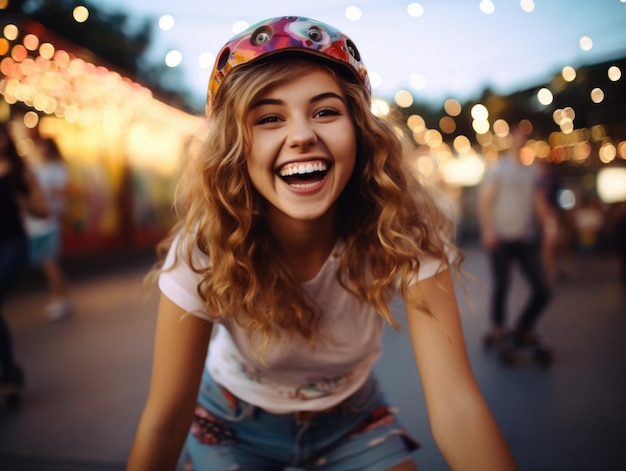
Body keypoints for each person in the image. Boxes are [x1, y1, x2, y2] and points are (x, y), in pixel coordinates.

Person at [128, 16, 518, 471]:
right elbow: (166, 420)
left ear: (359, 131)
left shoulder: (405, 232)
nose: (301, 136)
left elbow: (457, 410)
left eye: (325, 111)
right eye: (269, 118)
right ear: (237, 147)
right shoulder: (204, 249)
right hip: (232, 423)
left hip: (352, 420)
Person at [477, 122, 553, 347]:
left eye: (526, 134)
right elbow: (485, 203)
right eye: (519, 133)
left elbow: (538, 204)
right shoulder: (498, 170)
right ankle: (499, 327)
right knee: (502, 284)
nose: (522, 137)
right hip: (501, 237)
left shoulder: (531, 172)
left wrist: (549, 227)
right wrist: (488, 230)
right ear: (511, 136)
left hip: (525, 238)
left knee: (543, 289)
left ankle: (522, 327)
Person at [0, 121, 49, 392]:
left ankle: (8, 370)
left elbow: (43, 211)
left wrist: (25, 202)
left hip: (13, 244)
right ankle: (9, 369)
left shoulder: (21, 174)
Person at [24, 137, 72, 321]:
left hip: (50, 217)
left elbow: (62, 191)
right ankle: (63, 297)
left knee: (49, 261)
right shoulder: (35, 167)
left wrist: (44, 193)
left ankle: (59, 299)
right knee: (49, 262)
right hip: (35, 219)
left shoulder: (57, 168)